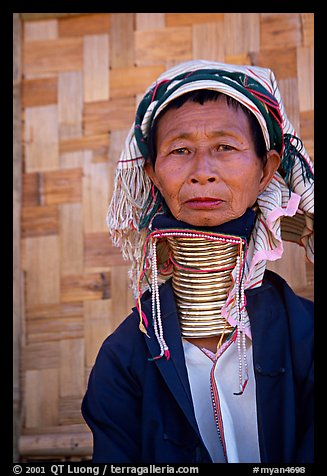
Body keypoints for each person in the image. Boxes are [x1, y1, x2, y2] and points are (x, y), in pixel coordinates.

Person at [81, 60, 314, 464]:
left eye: (225, 147)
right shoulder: (122, 361)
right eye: (181, 150)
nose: (202, 172)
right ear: (152, 173)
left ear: (267, 170)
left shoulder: (308, 339)